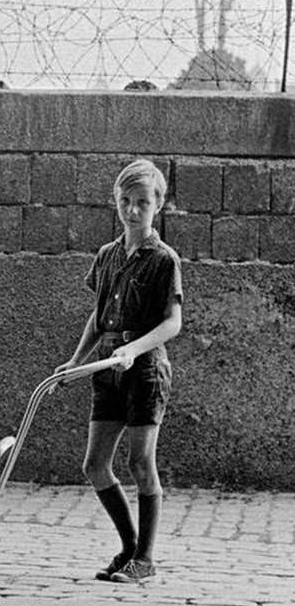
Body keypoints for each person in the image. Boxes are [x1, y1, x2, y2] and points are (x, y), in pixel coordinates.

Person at [56, 159, 182, 584]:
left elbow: (172, 322)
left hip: (145, 370)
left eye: (142, 203)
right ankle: (128, 548)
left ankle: (145, 559)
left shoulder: (164, 259)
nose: (132, 210)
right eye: (125, 202)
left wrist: (134, 348)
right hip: (106, 367)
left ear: (158, 205)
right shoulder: (108, 255)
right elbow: (98, 315)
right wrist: (76, 361)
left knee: (140, 462)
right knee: (95, 464)